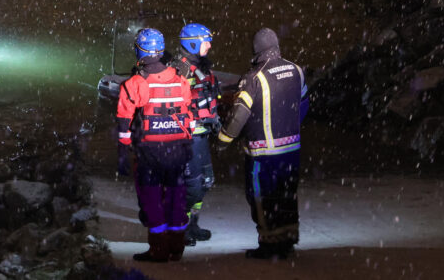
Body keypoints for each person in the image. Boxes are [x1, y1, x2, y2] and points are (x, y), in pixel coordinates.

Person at [218, 27, 309, 260]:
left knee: (262, 198)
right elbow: (304, 104)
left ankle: (269, 244)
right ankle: (287, 240)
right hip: (291, 151)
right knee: (287, 194)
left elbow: (239, 115)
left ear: (256, 50)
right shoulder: (296, 70)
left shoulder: (253, 78)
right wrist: (289, 127)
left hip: (263, 154)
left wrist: (223, 140)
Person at [117, 27, 196, 263]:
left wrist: (124, 150)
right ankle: (176, 246)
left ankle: (158, 249)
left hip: (150, 153)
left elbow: (123, 122)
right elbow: (189, 115)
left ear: (138, 50)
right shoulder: (181, 79)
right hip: (178, 151)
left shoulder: (135, 83)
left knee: (151, 199)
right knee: (176, 197)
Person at [166, 23, 221, 246]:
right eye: (205, 41)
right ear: (193, 43)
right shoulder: (179, 69)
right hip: (186, 139)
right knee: (191, 186)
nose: (209, 45)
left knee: (206, 182)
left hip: (201, 136)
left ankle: (192, 224)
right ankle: (179, 227)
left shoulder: (202, 68)